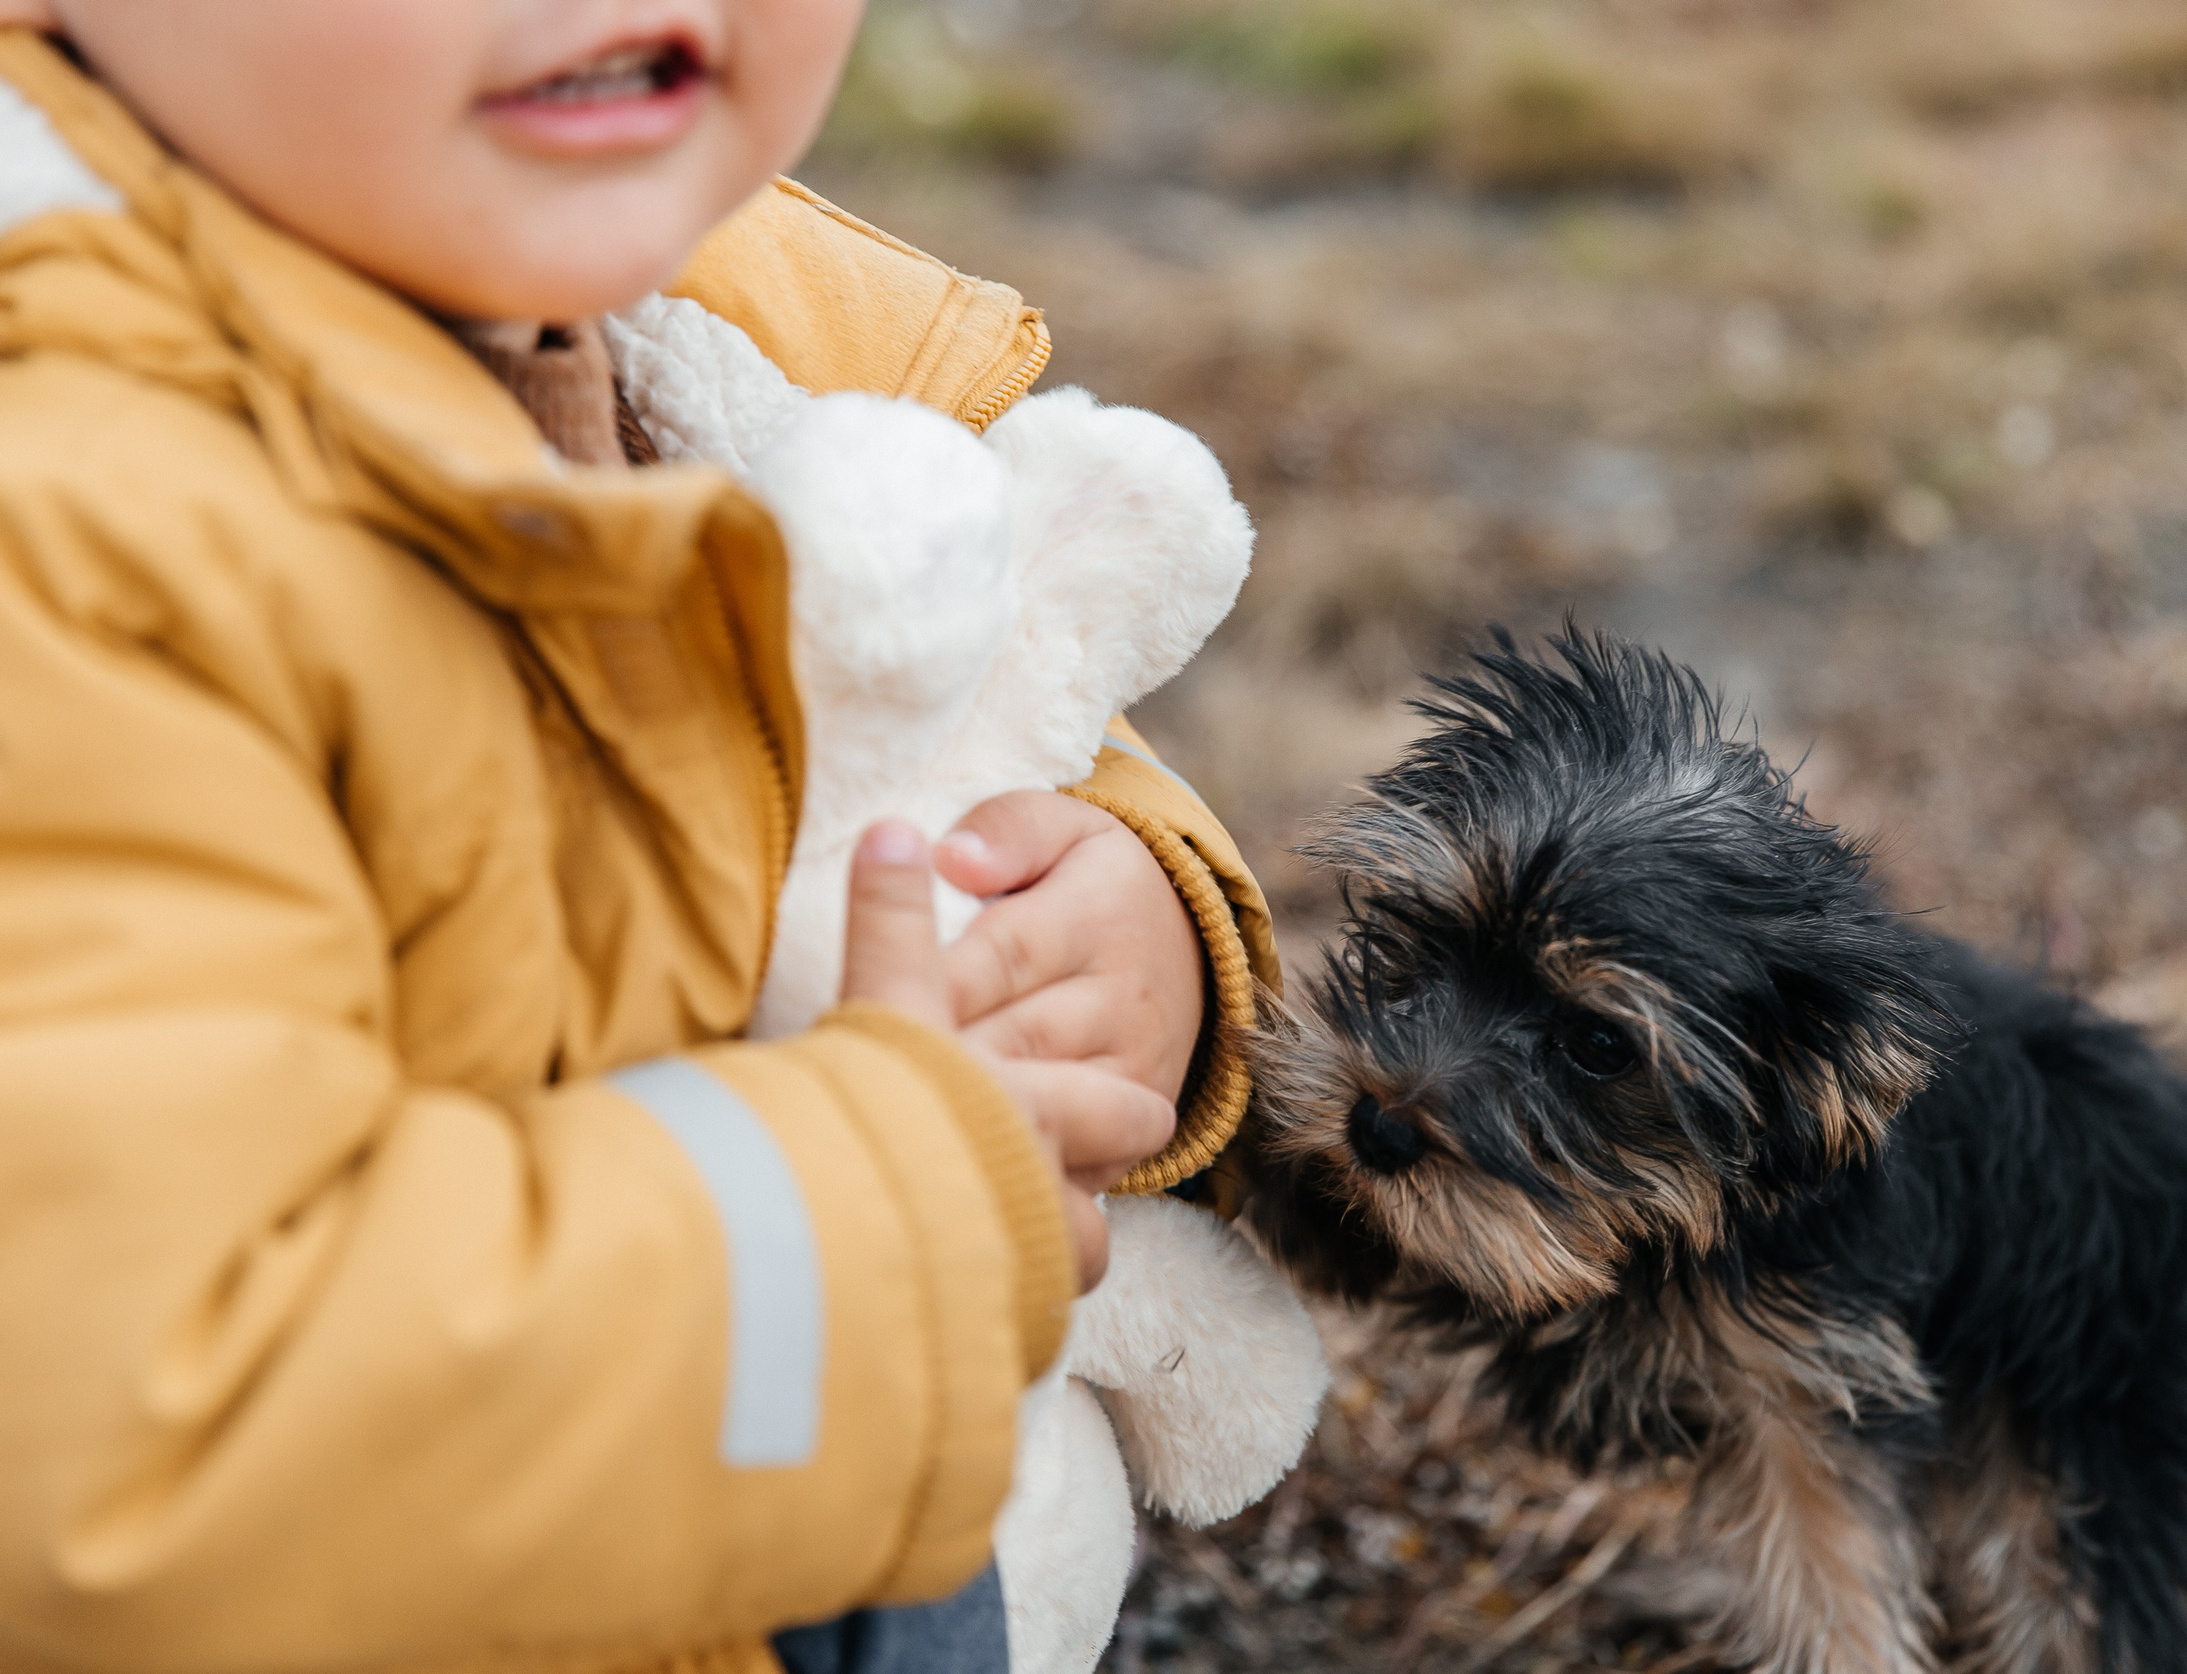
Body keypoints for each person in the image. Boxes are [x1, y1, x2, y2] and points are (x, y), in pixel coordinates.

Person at [0, 5, 1276, 1672]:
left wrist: (1124, 902)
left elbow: (984, 683)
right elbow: (151, 1455)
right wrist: (870, 1235)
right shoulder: (81, 548)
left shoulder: (713, 294)